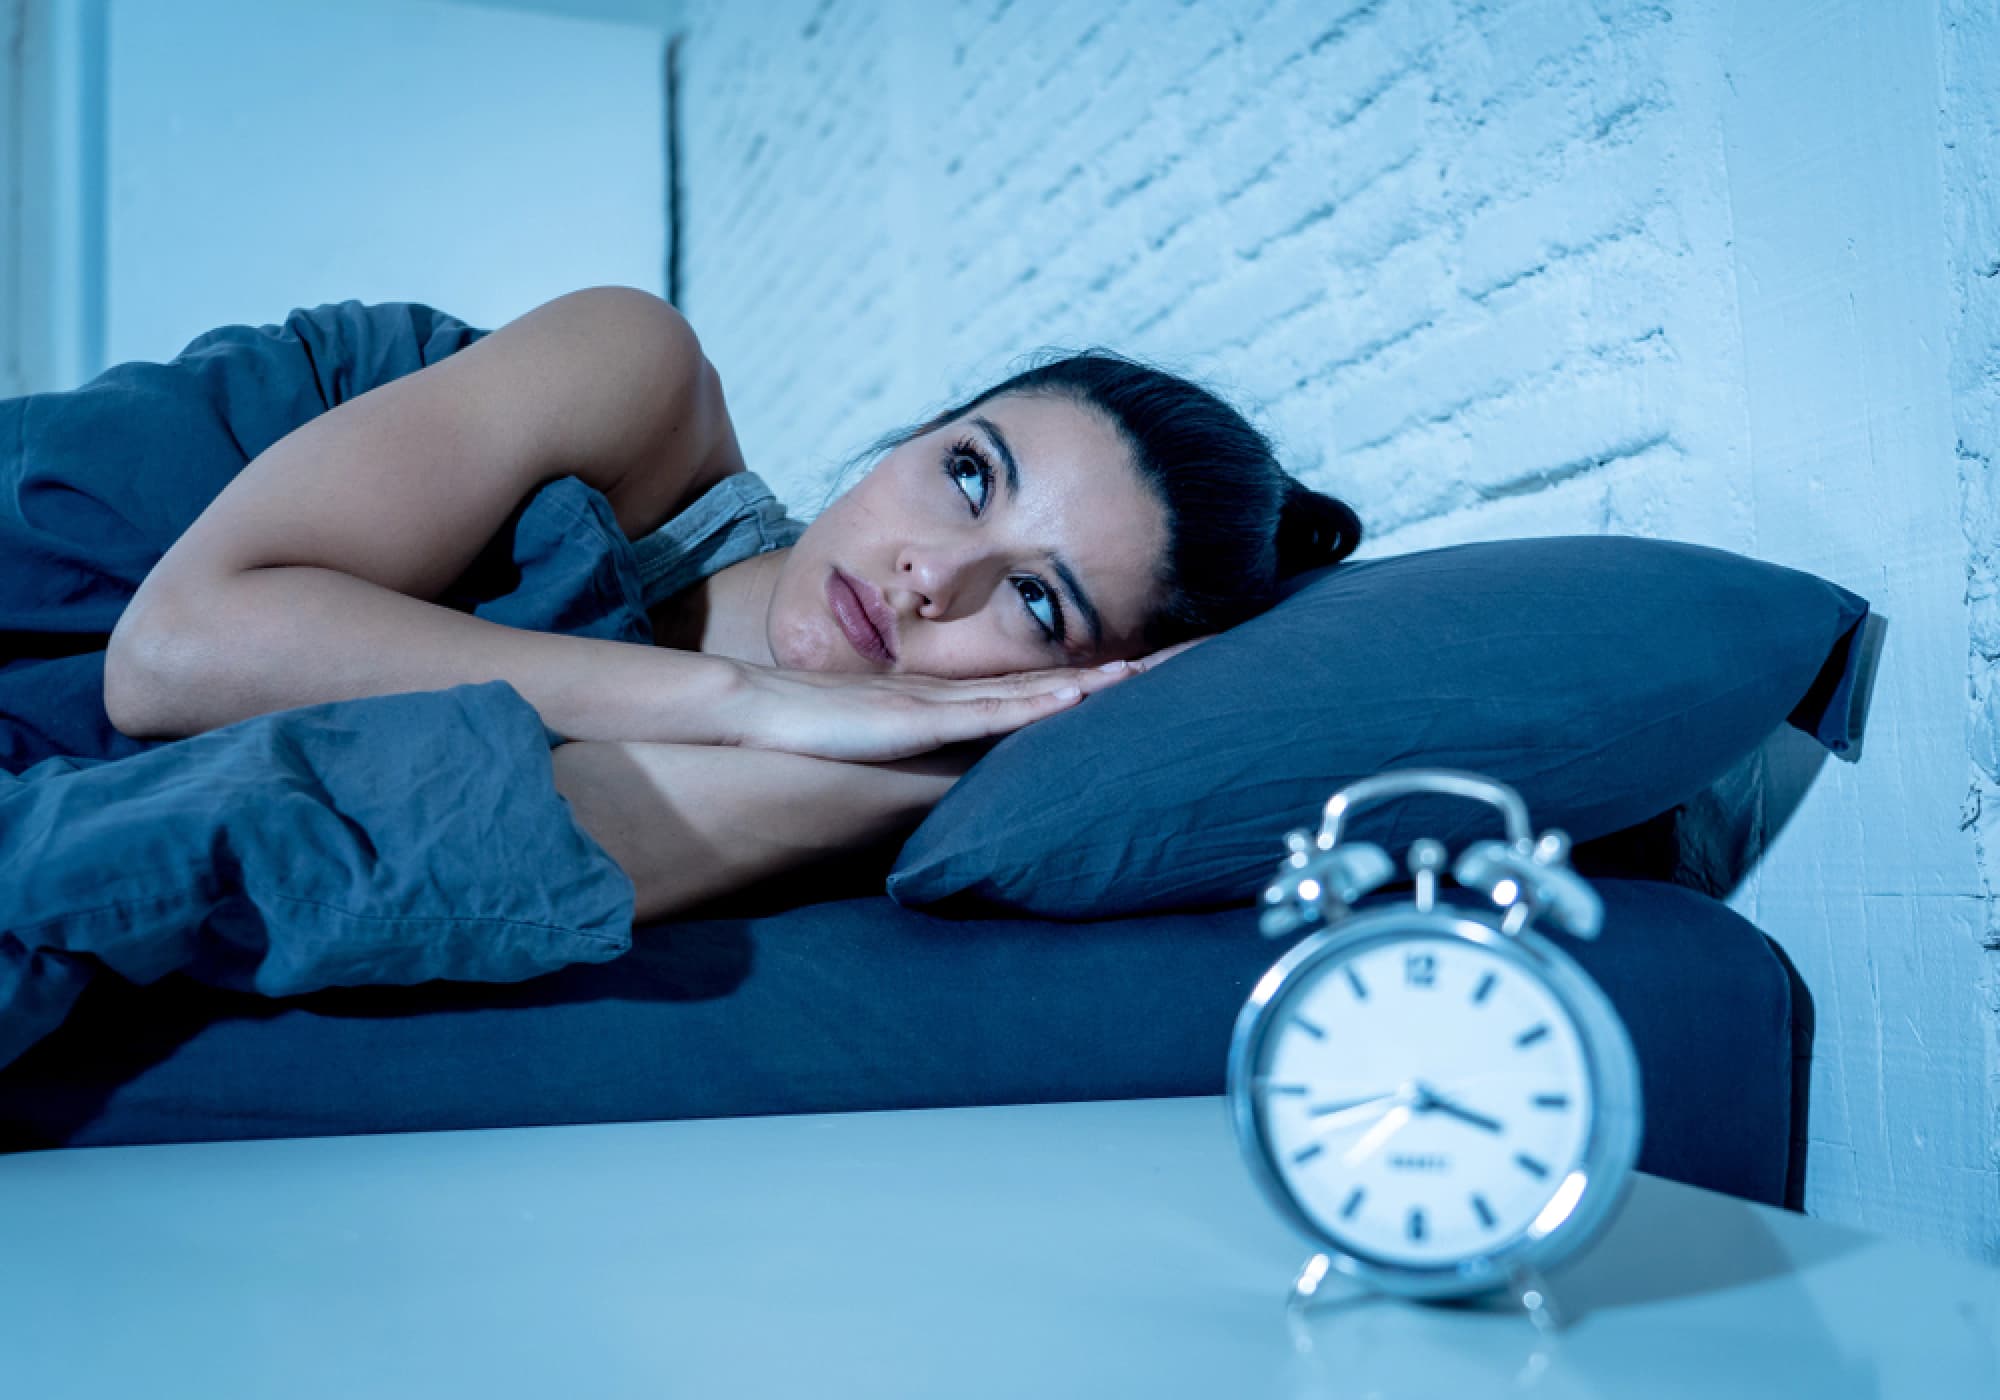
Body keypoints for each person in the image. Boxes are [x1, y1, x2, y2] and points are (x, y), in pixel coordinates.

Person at [0, 285, 1361, 1066]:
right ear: (919, 431)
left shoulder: (830, 805)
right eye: (966, 474)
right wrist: (739, 695)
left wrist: (902, 754)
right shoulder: (636, 385)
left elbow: (358, 842)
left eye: (1039, 604)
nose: (932, 579)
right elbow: (172, 660)